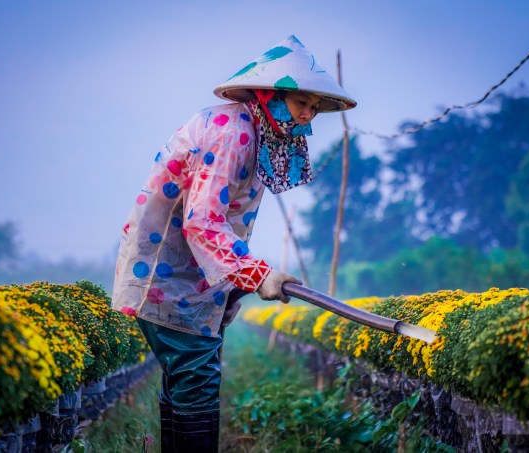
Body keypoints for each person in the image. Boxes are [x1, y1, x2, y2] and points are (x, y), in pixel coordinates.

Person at [112, 35, 356, 452]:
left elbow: (227, 223)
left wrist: (238, 281)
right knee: (197, 380)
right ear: (272, 95)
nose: (307, 116)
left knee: (188, 380)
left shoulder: (253, 133)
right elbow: (203, 223)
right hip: (168, 280)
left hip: (191, 282)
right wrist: (257, 273)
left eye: (314, 108)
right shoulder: (232, 132)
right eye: (302, 104)